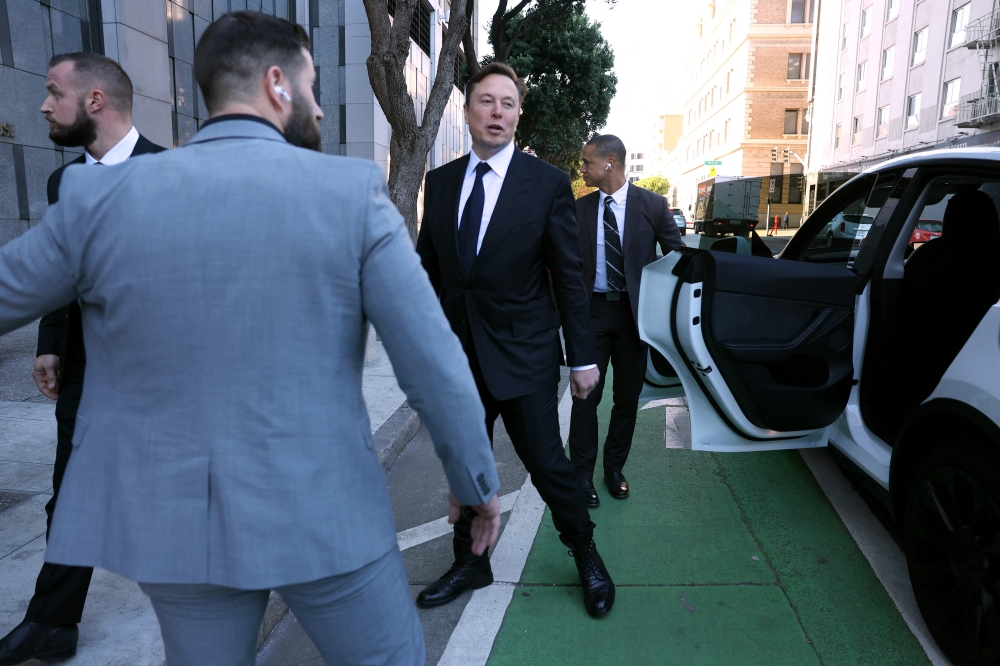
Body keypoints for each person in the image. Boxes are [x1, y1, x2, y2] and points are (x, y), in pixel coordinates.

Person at [0, 12, 501, 666]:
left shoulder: (97, 200)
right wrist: (474, 481)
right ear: (276, 83)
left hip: (179, 528)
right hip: (326, 512)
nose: (319, 105)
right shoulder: (349, 193)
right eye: (312, 84)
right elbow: (432, 363)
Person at [415, 62, 615, 619]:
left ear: (518, 113)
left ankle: (586, 554)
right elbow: (428, 270)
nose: (496, 112)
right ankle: (470, 563)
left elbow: (568, 277)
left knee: (551, 468)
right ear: (468, 110)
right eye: (486, 101)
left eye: (507, 103)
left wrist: (583, 357)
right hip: (459, 360)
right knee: (463, 467)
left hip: (524, 356)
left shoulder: (546, 183)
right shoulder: (443, 181)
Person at [0, 52, 165, 666]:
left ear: (94, 101)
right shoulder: (62, 182)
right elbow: (57, 272)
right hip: (87, 373)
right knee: (69, 495)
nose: (43, 104)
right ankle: (52, 622)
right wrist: (50, 343)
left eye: (53, 92)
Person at [567, 135, 684, 507]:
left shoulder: (652, 205)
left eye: (587, 162)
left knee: (626, 399)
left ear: (610, 163)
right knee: (586, 397)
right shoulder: (579, 209)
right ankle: (581, 476)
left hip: (635, 317)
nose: (581, 168)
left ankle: (614, 468)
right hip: (592, 314)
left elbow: (677, 258)